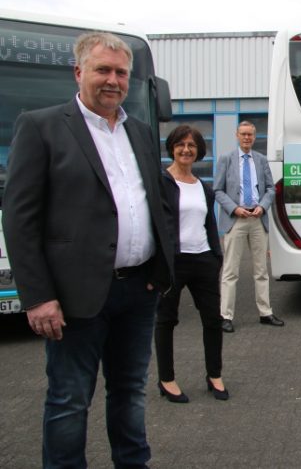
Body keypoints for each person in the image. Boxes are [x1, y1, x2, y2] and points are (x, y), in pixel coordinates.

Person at [1, 32, 174, 468]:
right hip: (74, 297)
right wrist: (37, 296)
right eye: (103, 69)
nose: (113, 80)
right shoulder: (41, 127)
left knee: (131, 392)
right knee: (69, 400)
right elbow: (20, 220)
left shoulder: (137, 131)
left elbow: (157, 200)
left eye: (121, 72)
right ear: (79, 72)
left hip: (138, 291)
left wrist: (160, 268)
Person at [155, 125, 229, 403]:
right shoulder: (160, 183)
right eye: (181, 144)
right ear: (172, 148)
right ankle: (167, 379)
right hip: (172, 262)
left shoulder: (203, 187)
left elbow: (208, 223)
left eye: (192, 146)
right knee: (166, 320)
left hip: (203, 259)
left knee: (213, 320)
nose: (186, 150)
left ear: (199, 151)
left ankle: (214, 375)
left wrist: (215, 256)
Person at [214, 120, 283, 332]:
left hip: (257, 219)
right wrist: (234, 208)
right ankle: (225, 316)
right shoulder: (226, 159)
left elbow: (271, 189)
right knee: (230, 271)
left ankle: (265, 312)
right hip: (236, 219)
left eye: (250, 135)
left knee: (261, 270)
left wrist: (262, 206)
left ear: (254, 137)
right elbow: (217, 190)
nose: (246, 138)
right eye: (243, 134)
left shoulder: (261, 160)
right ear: (237, 135)